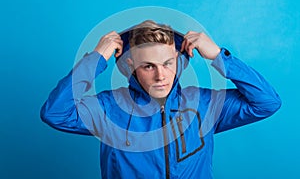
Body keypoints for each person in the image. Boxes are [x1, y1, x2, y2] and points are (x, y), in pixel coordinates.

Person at [41, 20, 281, 178]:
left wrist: (219, 56)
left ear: (179, 61)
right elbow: (55, 113)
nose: (160, 76)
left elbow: (266, 102)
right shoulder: (109, 108)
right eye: (148, 66)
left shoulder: (205, 104)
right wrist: (95, 59)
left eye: (168, 63)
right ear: (130, 66)